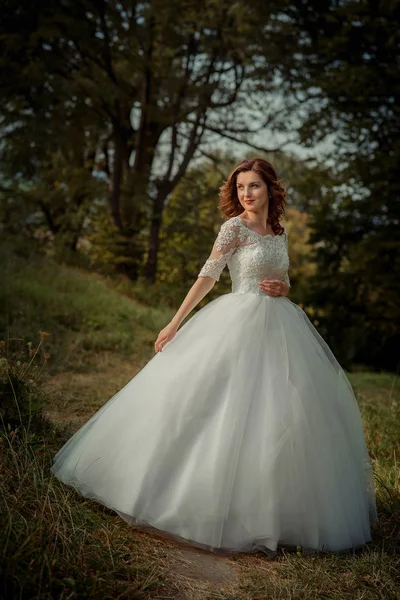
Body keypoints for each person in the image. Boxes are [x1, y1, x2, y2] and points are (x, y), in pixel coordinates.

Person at [51, 157, 378, 555]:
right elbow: (208, 275)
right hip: (237, 318)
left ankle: (274, 513)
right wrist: (174, 323)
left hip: (280, 326)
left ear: (270, 189)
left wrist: (284, 290)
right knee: (216, 403)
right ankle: (183, 497)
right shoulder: (234, 227)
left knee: (280, 412)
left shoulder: (279, 230)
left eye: (254, 186)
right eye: (241, 187)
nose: (247, 193)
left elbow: (284, 277)